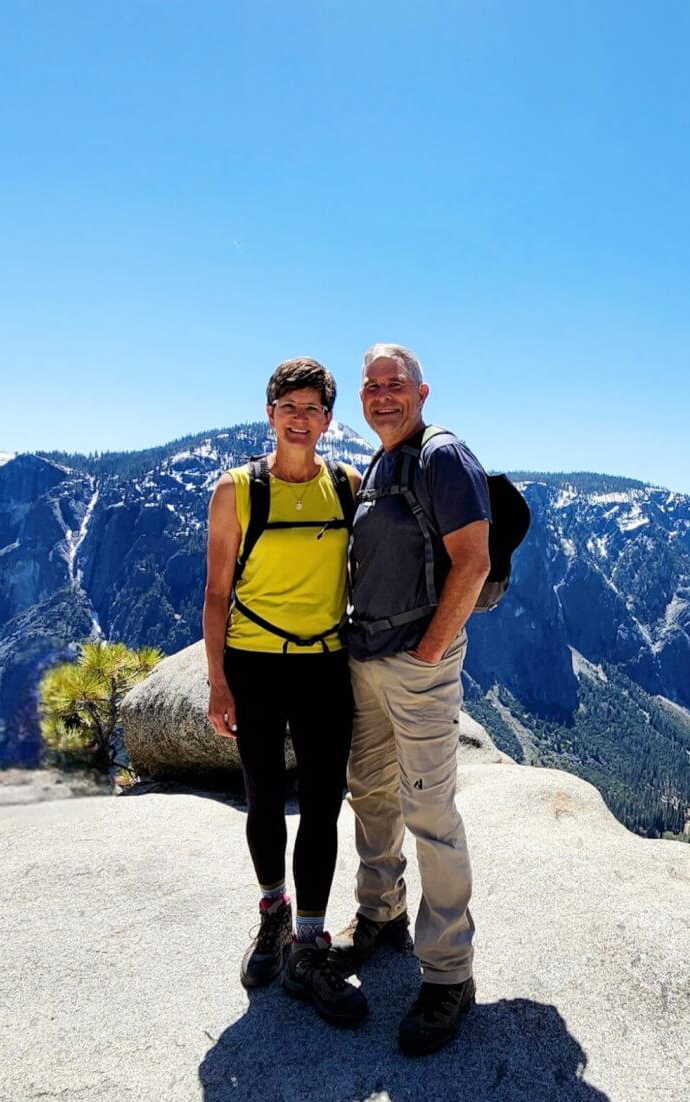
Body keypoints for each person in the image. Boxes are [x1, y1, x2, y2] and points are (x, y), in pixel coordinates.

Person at [335, 342, 491, 1057]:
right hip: (367, 660)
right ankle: (381, 915)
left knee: (429, 811)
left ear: (422, 392)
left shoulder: (441, 455)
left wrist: (430, 650)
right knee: (370, 793)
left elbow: (474, 560)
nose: (381, 395)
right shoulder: (377, 462)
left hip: (416, 663)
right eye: (371, 385)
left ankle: (449, 971)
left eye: (394, 383)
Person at [202, 357, 366, 1028]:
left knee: (324, 805)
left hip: (326, 664)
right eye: (288, 407)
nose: (301, 419)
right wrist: (218, 681)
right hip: (257, 663)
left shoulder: (349, 486)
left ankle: (309, 939)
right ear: (270, 414)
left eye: (313, 409)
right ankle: (273, 911)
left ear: (328, 420)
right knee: (264, 797)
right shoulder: (236, 491)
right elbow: (216, 592)